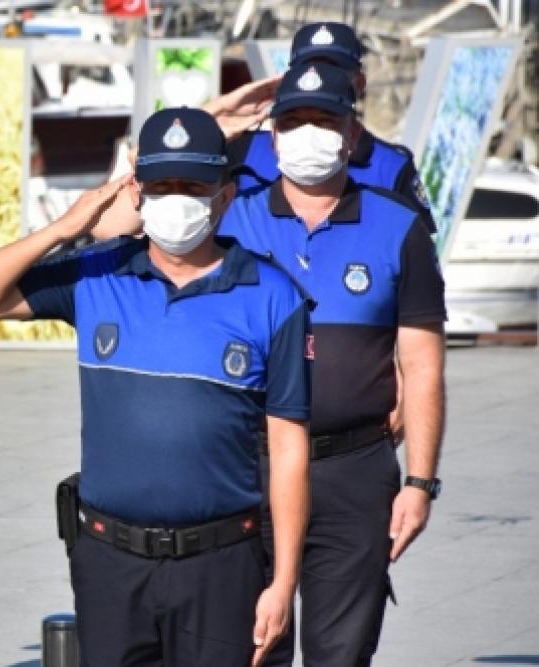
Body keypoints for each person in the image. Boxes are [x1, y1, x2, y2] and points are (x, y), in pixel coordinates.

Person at [0, 108, 312, 666]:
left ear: (226, 195)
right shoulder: (96, 274)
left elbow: (288, 452)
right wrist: (62, 230)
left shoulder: (273, 296)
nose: (177, 199)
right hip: (110, 563)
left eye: (193, 186)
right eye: (162, 185)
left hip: (221, 562)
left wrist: (283, 582)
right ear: (137, 193)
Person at [219, 62, 447, 666]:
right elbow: (135, 202)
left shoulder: (399, 226)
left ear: (351, 132)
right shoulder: (229, 218)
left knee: (341, 654)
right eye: (294, 120)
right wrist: (216, 120)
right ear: (272, 135)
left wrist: (420, 482)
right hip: (246, 469)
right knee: (251, 647)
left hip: (355, 472)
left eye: (325, 119)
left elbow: (422, 364)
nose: (309, 132)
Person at [218, 22, 435, 228]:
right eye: (309, 71)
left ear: (359, 83)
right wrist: (217, 115)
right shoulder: (245, 151)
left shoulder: (391, 165)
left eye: (334, 71)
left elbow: (414, 251)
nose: (319, 81)